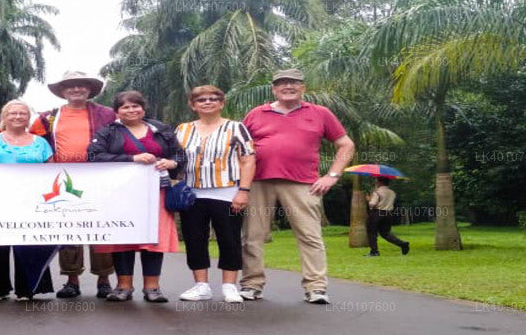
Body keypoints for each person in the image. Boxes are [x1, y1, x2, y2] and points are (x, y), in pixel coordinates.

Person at [0, 70, 116, 299]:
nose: (76, 89)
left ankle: (104, 280)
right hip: (62, 177)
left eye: (81, 85)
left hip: (98, 177)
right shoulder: (49, 118)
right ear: (62, 91)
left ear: (90, 89)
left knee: (99, 230)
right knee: (68, 232)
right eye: (70, 86)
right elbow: (24, 137)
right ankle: (72, 280)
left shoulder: (107, 115)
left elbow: (122, 135)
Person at [239, 69, 355, 305]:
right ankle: (251, 284)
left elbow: (345, 145)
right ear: (274, 89)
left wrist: (332, 176)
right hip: (258, 182)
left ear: (303, 87)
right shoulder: (256, 114)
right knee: (252, 236)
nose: (288, 87)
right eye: (282, 83)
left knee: (310, 236)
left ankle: (316, 288)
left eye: (293, 83)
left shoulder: (320, 113)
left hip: (303, 183)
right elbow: (237, 147)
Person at [87, 90, 185, 302]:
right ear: (117, 112)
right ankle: (123, 286)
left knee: (153, 238)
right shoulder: (108, 132)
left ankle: (152, 287)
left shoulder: (161, 129)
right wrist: (132, 158)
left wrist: (172, 163)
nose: (131, 110)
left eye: (135, 106)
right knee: (123, 237)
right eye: (125, 107)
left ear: (143, 108)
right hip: (121, 195)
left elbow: (179, 154)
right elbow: (94, 156)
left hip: (156, 193)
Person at [174, 85, 256, 304]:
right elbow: (174, 159)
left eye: (213, 98)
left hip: (227, 191)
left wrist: (244, 191)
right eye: (201, 100)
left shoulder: (236, 127)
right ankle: (201, 286)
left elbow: (248, 159)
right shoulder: (182, 130)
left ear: (222, 103)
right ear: (193, 105)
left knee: (229, 239)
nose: (207, 102)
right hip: (192, 193)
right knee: (194, 239)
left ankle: (229, 286)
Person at [0, 99, 57, 301]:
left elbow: (52, 170)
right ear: (4, 117)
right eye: (13, 113)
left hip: (32, 201)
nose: (18, 116)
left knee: (30, 242)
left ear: (29, 118)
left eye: (23, 113)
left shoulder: (40, 142)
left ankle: (28, 288)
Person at [365, 177, 410, 257]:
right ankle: (402, 244)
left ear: (379, 182)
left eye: (377, 181)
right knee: (385, 233)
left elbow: (372, 204)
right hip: (388, 214)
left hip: (377, 213)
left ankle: (374, 251)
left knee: (371, 232)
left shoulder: (377, 192)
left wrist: (369, 199)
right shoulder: (392, 192)